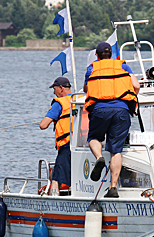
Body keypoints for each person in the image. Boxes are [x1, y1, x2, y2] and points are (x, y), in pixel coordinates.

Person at [83, 42, 140, 197]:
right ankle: (113, 188)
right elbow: (136, 85)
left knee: (94, 137)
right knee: (116, 151)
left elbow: (86, 89)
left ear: (97, 55)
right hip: (121, 110)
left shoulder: (91, 68)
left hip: (100, 110)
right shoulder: (123, 66)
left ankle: (99, 158)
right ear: (112, 55)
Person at [40, 77, 73, 196]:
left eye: (54, 89)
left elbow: (43, 125)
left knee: (56, 177)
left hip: (66, 145)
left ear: (61, 88)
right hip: (83, 145)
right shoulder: (79, 100)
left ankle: (53, 199)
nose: (54, 93)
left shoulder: (59, 104)